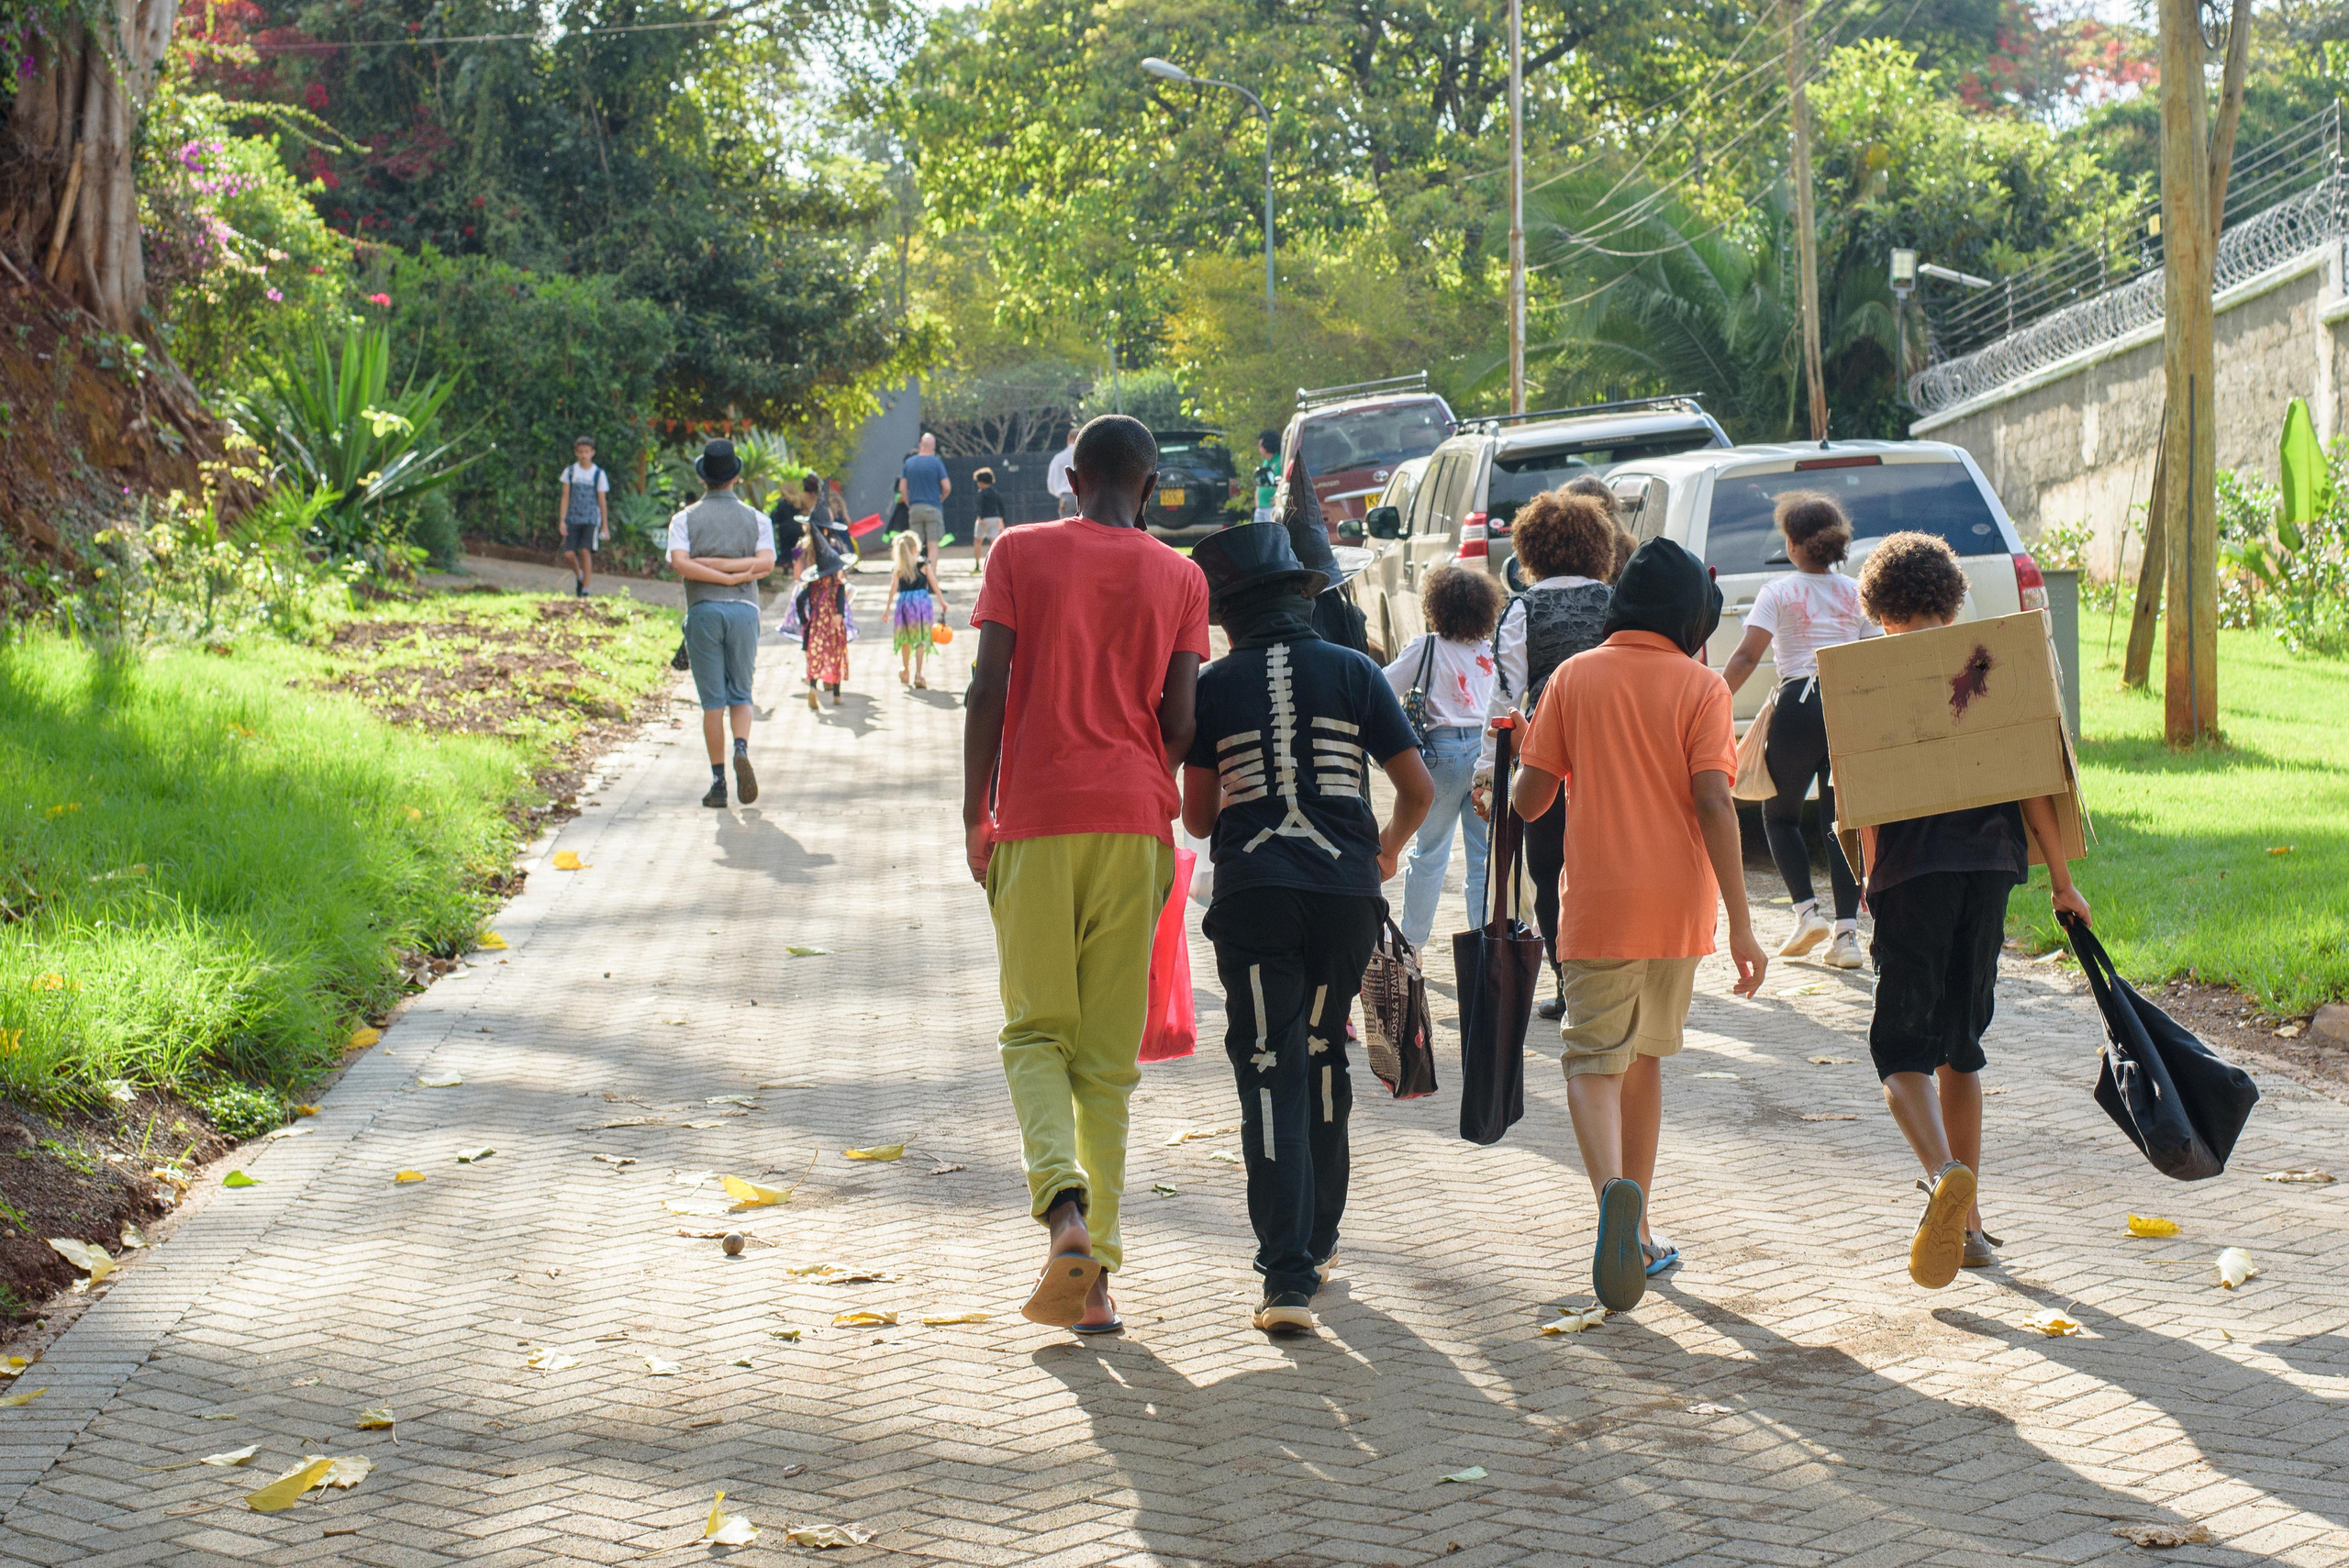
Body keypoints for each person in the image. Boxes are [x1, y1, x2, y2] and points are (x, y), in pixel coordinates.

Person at [964, 415, 1210, 1335]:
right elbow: (1181, 718)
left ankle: (1061, 1209)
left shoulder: (1019, 552)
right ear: (1148, 487)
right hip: (1135, 825)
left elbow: (988, 685)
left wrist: (972, 811)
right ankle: (1097, 1280)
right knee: (1106, 1065)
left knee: (1034, 1034)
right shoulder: (1182, 576)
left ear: (1071, 477)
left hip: (1035, 820)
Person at [1182, 523, 1433, 1334]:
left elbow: (1195, 816)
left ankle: (1285, 1277)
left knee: (1266, 1066)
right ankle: (1321, 1243)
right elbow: (1418, 788)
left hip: (1256, 893)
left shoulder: (1214, 687)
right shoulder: (1356, 670)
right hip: (1344, 895)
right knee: (1325, 1050)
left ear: (1229, 617)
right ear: (1301, 598)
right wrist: (1385, 852)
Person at [1509, 538, 1766, 1313]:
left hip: (1599, 905)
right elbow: (1716, 801)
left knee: (1592, 1060)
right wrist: (1745, 928)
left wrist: (1528, 745)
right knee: (1648, 1058)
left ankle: (1613, 1199)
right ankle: (1644, 1227)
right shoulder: (1702, 687)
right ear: (1692, 618)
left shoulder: (1573, 677)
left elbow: (1529, 801)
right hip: (1678, 908)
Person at [1852, 531, 2092, 1288]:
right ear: (1953, 597)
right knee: (1962, 1045)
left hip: (1912, 872)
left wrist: (1867, 875)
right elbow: (2034, 777)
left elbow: (1861, 798)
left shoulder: (1869, 674)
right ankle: (1975, 1227)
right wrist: (2061, 879)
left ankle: (1946, 1176)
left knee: (1899, 1053)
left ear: (1879, 607)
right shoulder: (1990, 662)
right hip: (1992, 866)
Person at [1475, 488, 1622, 1020]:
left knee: (1548, 869)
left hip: (1548, 753)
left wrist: (1485, 775)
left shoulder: (1521, 609)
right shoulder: (1618, 600)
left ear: (1529, 550)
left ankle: (1567, 983)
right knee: (1612, 860)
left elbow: (1504, 697)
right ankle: (1619, 972)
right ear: (1598, 547)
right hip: (1617, 751)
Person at [1720, 492, 1878, 970]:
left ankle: (1807, 912)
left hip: (1798, 706)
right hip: (1846, 708)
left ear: (1791, 544)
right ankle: (1847, 937)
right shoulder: (1856, 592)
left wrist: (1709, 699)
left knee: (1779, 814)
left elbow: (1747, 656)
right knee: (1840, 821)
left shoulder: (1779, 591)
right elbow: (1872, 654)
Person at [1380, 564, 1502, 949]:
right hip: (1488, 756)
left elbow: (1381, 688)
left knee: (1429, 854)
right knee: (1483, 858)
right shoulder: (1491, 649)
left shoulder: (1427, 647)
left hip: (1441, 756)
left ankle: (1411, 946)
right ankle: (1483, 945)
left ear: (1436, 607)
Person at [666, 439, 775, 808]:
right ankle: (741, 748)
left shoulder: (684, 519)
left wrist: (710, 568)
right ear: (736, 476)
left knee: (713, 702)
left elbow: (680, 563)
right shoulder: (756, 519)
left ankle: (718, 784)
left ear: (704, 478)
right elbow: (764, 564)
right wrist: (736, 572)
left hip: (703, 611)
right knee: (741, 694)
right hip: (744, 610)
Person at [794, 531, 852, 710]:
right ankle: (836, 695)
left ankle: (813, 688)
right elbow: (841, 603)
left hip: (816, 625)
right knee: (835, 656)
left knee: (815, 656)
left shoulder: (814, 584)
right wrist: (839, 614)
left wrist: (805, 620)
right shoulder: (837, 584)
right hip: (834, 627)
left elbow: (799, 600)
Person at [886, 529, 944, 689]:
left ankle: (905, 670)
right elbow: (933, 582)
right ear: (914, 549)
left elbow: (893, 589)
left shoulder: (898, 568)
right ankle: (919, 674)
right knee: (920, 639)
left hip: (904, 604)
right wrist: (942, 601)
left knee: (905, 638)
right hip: (921, 604)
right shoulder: (923, 564)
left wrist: (886, 610)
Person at [557, 437, 609, 597]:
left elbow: (602, 501)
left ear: (592, 453)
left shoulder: (598, 474)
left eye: (587, 452)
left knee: (585, 551)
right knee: (569, 554)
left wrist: (604, 526)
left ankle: (586, 588)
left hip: (591, 519)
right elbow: (565, 497)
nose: (584, 455)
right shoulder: (570, 472)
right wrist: (562, 520)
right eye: (581, 452)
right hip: (573, 518)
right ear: (576, 453)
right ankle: (580, 575)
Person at [972, 465, 1007, 574]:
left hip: (984, 520)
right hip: (995, 519)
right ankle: (994, 565)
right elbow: (1001, 506)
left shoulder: (981, 493)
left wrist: (979, 517)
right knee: (994, 542)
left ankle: (977, 565)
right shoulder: (995, 492)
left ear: (981, 482)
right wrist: (1001, 518)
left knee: (978, 541)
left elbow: (978, 506)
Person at [1045, 426, 1078, 517]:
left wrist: (1059, 492)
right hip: (1086, 498)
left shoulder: (1059, 458)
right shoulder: (1089, 456)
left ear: (1068, 438)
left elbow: (1051, 483)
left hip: (1066, 497)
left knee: (1067, 529)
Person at [1252, 428, 1281, 525]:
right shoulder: (1265, 462)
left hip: (1271, 507)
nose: (1259, 449)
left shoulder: (1280, 461)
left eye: (1260, 446)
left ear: (1266, 447)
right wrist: (1257, 500)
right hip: (1260, 507)